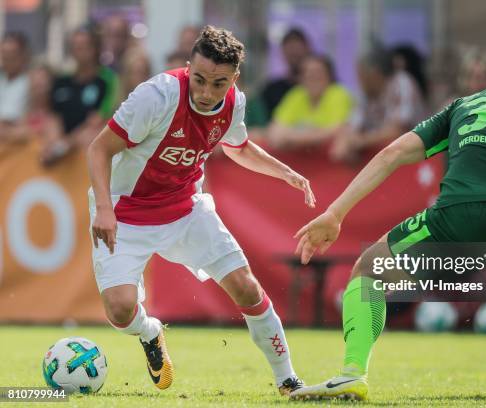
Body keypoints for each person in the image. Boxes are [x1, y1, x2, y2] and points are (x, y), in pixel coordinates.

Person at [290, 35, 486, 400]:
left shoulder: (465, 103)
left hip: (456, 215)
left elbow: (393, 153)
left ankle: (351, 374)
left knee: (369, 270)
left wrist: (335, 213)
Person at [87, 25, 313, 395]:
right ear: (189, 66)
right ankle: (150, 332)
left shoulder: (234, 102)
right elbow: (98, 149)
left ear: (235, 79)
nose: (207, 92)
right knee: (120, 310)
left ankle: (288, 379)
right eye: (200, 80)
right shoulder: (156, 96)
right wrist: (103, 210)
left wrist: (285, 172)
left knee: (246, 287)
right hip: (124, 211)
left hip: (185, 208)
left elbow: (238, 147)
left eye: (219, 83)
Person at [330, 48, 425, 163]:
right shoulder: (365, 90)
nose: (358, 80)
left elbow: (399, 130)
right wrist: (346, 140)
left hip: (414, 159)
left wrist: (361, 141)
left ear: (374, 74)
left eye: (361, 75)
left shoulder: (403, 83)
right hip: (385, 159)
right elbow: (352, 123)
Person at [46, 26, 119, 165]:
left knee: (93, 133)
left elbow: (99, 117)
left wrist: (65, 144)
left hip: (84, 140)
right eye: (75, 46)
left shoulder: (107, 80)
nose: (79, 51)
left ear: (95, 49)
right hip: (61, 142)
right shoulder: (61, 80)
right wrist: (55, 143)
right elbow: (53, 116)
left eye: (83, 46)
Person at [267, 55, 353, 150]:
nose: (313, 77)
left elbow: (338, 130)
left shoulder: (338, 94)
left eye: (318, 72)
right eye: (307, 73)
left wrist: (292, 137)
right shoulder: (297, 94)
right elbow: (275, 133)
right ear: (301, 78)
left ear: (329, 76)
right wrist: (315, 134)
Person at [259, 28, 311, 123]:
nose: (294, 53)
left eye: (297, 49)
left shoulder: (319, 88)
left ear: (307, 50)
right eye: (290, 49)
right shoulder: (272, 90)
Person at [0, 32, 30, 142]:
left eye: (12, 53)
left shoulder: (30, 82)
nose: (8, 58)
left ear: (23, 55)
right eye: (4, 53)